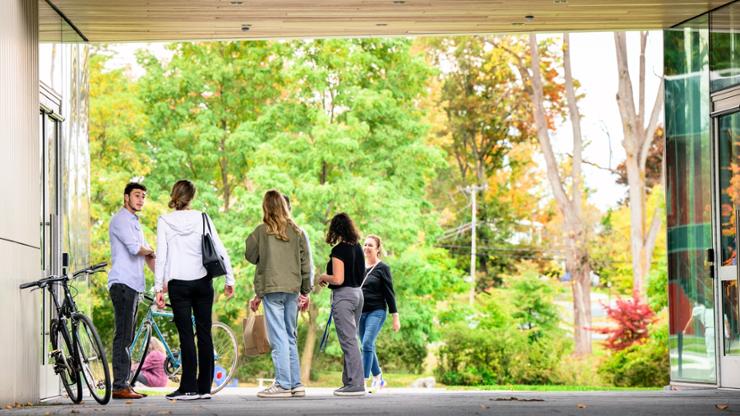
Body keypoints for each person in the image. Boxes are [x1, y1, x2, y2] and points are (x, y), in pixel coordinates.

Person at [154, 180, 235, 400]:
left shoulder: (164, 221)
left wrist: (158, 288)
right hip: (202, 282)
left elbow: (161, 256)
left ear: (174, 195)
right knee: (205, 334)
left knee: (186, 336)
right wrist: (230, 278)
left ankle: (187, 387)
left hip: (178, 284)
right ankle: (204, 388)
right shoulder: (202, 218)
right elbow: (220, 248)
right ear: (191, 197)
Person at [246, 190, 312, 398]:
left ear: (266, 207)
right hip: (293, 289)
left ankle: (283, 384)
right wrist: (306, 290)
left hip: (272, 289)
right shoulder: (298, 232)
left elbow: (250, 255)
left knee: (278, 337)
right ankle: (296, 384)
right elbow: (306, 263)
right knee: (290, 336)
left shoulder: (261, 232)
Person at [108, 182, 155, 400]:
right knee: (123, 337)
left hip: (134, 285)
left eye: (143, 196)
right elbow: (136, 248)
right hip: (123, 283)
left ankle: (124, 384)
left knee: (128, 336)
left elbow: (147, 255)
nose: (141, 200)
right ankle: (119, 386)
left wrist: (161, 280)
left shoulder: (136, 223)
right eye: (137, 195)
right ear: (126, 197)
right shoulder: (120, 220)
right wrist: (150, 250)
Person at [318, 213, 366, 396]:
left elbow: (338, 279)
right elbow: (359, 275)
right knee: (352, 338)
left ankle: (356, 385)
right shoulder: (357, 247)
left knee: (348, 341)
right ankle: (349, 382)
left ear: (336, 229)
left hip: (344, 296)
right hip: (358, 294)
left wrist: (323, 277)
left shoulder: (339, 251)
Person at [359, 235, 400, 393]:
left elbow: (390, 293)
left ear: (377, 249)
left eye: (370, 245)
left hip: (377, 311)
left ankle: (362, 381)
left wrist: (395, 316)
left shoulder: (383, 268)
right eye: (365, 244)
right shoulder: (358, 266)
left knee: (367, 343)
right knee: (367, 346)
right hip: (360, 312)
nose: (367, 247)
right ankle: (379, 378)